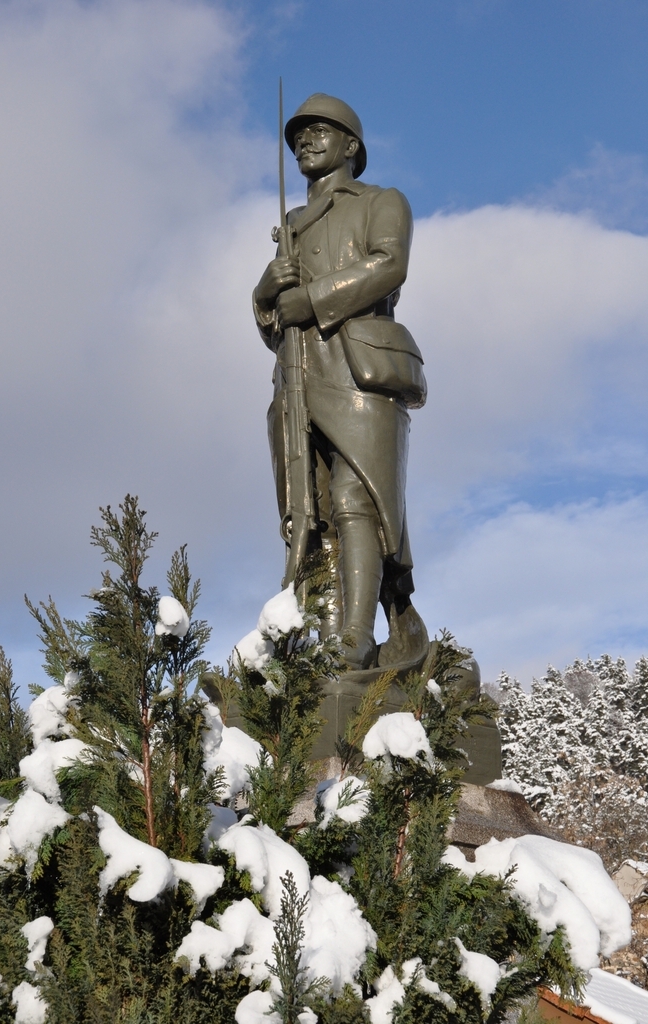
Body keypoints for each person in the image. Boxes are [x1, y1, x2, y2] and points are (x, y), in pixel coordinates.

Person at [253, 93, 427, 671]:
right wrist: (264, 296)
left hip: (357, 372)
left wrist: (310, 298)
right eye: (298, 134)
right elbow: (277, 327)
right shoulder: (290, 226)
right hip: (298, 379)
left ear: (351, 146)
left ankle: (356, 636)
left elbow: (388, 263)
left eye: (320, 130)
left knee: (360, 502)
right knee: (310, 512)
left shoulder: (381, 201)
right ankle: (325, 636)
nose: (305, 140)